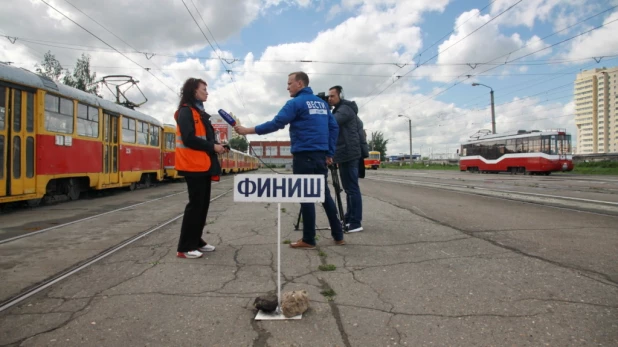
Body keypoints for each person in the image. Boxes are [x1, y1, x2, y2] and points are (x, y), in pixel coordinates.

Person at [234, 71, 345, 249]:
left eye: (289, 83)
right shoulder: (322, 104)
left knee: (306, 196)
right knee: (324, 195)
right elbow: (333, 128)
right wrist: (329, 153)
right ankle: (338, 235)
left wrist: (248, 130)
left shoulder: (296, 103)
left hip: (304, 156)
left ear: (300, 84)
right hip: (320, 156)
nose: (287, 87)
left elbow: (276, 123)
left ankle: (309, 239)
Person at [174, 77, 230, 259]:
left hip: (203, 165)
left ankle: (196, 241)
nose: (207, 92)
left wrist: (219, 146)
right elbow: (189, 138)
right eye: (204, 89)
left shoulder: (200, 113)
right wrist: (212, 147)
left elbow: (205, 139)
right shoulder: (185, 112)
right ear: (193, 91)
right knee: (195, 205)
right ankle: (184, 247)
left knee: (203, 205)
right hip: (192, 166)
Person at [327, 85, 364, 233]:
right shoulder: (341, 109)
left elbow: (332, 122)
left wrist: (323, 111)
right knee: (349, 189)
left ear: (340, 95)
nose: (329, 99)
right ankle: (348, 219)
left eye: (332, 96)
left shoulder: (345, 109)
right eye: (328, 96)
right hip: (344, 154)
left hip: (349, 154)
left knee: (352, 189)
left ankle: (356, 222)